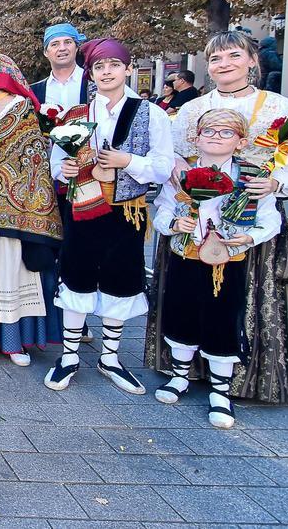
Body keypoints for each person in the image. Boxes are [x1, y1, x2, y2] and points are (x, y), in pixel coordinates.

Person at [148, 30, 288, 403]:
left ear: (252, 61)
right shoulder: (194, 108)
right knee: (188, 297)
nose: (224, 64)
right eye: (215, 58)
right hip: (194, 214)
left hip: (248, 214)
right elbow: (174, 155)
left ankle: (235, 380)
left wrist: (276, 183)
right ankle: (183, 370)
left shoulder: (277, 106)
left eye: (232, 56)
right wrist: (181, 182)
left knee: (233, 302)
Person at [44, 38, 174, 395]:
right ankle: (69, 356)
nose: (106, 72)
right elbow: (55, 162)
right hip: (83, 208)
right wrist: (65, 169)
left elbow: (164, 167)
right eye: (99, 67)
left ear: (128, 69)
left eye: (114, 65)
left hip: (125, 211)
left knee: (121, 279)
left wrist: (128, 161)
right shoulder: (77, 115)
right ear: (92, 73)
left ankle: (111, 357)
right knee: (76, 276)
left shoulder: (151, 113)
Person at [153, 109, 281, 427]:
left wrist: (250, 236)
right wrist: (172, 223)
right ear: (196, 138)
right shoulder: (181, 175)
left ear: (240, 141)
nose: (215, 137)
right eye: (209, 131)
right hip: (187, 255)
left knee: (222, 316)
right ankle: (179, 375)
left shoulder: (252, 176)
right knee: (181, 311)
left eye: (226, 133)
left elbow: (271, 219)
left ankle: (220, 390)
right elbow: (162, 209)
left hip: (226, 260)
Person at [0, 53, 63, 366]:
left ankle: (12, 339)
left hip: (13, 201)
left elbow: (31, 155)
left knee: (8, 266)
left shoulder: (21, 109)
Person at [30, 22, 90, 111]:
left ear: (76, 48)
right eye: (55, 44)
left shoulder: (93, 83)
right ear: (46, 52)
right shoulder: (34, 92)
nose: (62, 48)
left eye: (68, 42)